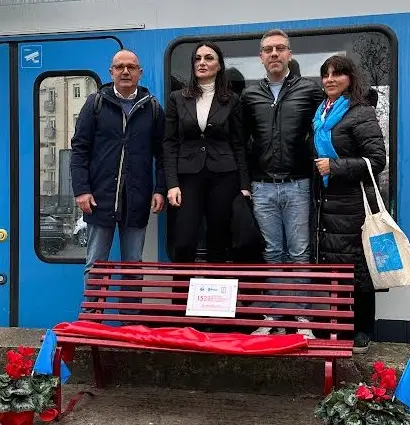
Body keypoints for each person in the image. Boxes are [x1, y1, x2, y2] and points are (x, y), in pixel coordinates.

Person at [241, 29, 323, 336]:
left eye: (280, 49)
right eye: (268, 50)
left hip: (298, 183)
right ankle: (274, 317)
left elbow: (323, 130)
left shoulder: (309, 90)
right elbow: (242, 142)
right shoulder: (249, 96)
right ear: (261, 57)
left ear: (289, 54)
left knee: (300, 252)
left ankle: (301, 319)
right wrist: (245, 180)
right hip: (262, 186)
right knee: (273, 252)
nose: (274, 54)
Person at [71, 49, 165, 291]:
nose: (125, 71)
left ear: (140, 73)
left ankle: (130, 323)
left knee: (133, 266)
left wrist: (160, 189)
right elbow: (79, 148)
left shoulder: (152, 108)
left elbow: (163, 154)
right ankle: (92, 320)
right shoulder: (96, 103)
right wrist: (81, 190)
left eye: (131, 67)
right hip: (99, 199)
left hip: (136, 199)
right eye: (120, 66)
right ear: (111, 72)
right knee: (95, 265)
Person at [312, 55, 386, 353]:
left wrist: (335, 166)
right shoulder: (321, 114)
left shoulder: (361, 112)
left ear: (350, 78)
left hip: (355, 203)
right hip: (327, 203)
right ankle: (339, 325)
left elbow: (377, 160)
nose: (330, 79)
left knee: (358, 267)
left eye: (338, 74)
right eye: (326, 75)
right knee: (334, 267)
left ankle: (363, 330)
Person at [163, 41, 250, 263]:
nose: (202, 62)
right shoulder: (177, 98)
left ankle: (216, 297)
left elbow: (239, 144)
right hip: (187, 177)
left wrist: (244, 186)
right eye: (198, 58)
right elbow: (170, 143)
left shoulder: (232, 100)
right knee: (183, 242)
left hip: (224, 175)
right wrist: (171, 184)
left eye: (209, 58)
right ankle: (181, 298)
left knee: (218, 242)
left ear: (219, 65)